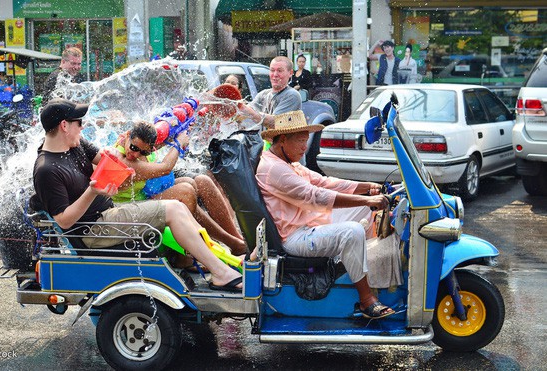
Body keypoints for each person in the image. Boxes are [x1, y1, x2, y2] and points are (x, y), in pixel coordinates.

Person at [32, 98, 243, 291]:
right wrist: (91, 191)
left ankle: (222, 259)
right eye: (78, 122)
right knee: (174, 208)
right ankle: (221, 271)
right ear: (64, 126)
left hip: (109, 214)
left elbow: (109, 160)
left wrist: (116, 153)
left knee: (180, 204)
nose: (82, 126)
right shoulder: (47, 169)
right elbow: (65, 221)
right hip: (93, 230)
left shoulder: (75, 146)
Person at [255, 110, 395, 319]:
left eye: (306, 141)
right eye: (301, 142)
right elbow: (315, 196)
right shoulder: (274, 169)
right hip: (294, 237)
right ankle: (366, 299)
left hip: (308, 222)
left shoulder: (289, 163)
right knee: (353, 231)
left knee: (367, 210)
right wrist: (366, 198)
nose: (305, 147)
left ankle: (357, 271)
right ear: (283, 139)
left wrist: (368, 187)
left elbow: (323, 182)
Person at [108, 121, 247, 255]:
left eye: (143, 153)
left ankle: (235, 238)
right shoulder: (122, 160)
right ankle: (188, 254)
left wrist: (179, 129)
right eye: (134, 148)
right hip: (128, 207)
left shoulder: (139, 145)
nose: (136, 154)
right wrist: (179, 143)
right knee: (185, 191)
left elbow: (159, 142)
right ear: (127, 135)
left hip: (143, 195)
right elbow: (165, 168)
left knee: (201, 182)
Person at [239, 56, 302, 130]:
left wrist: (245, 109)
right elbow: (244, 115)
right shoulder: (263, 95)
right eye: (272, 70)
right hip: (265, 141)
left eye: (280, 70)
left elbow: (275, 123)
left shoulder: (292, 95)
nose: (275, 74)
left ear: (290, 73)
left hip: (283, 141)